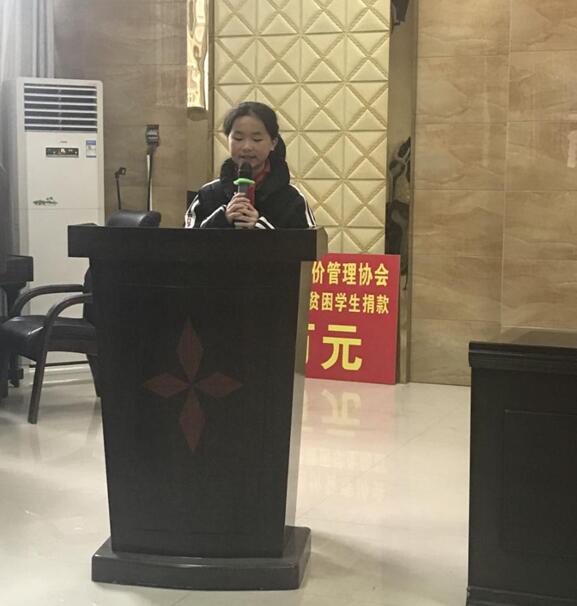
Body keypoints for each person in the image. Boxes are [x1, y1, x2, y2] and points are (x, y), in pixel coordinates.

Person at [185, 102, 315, 229]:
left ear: (273, 143)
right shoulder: (209, 194)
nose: (247, 147)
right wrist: (222, 219)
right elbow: (185, 240)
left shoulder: (292, 199)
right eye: (238, 138)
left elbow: (310, 242)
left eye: (257, 139)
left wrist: (261, 229)